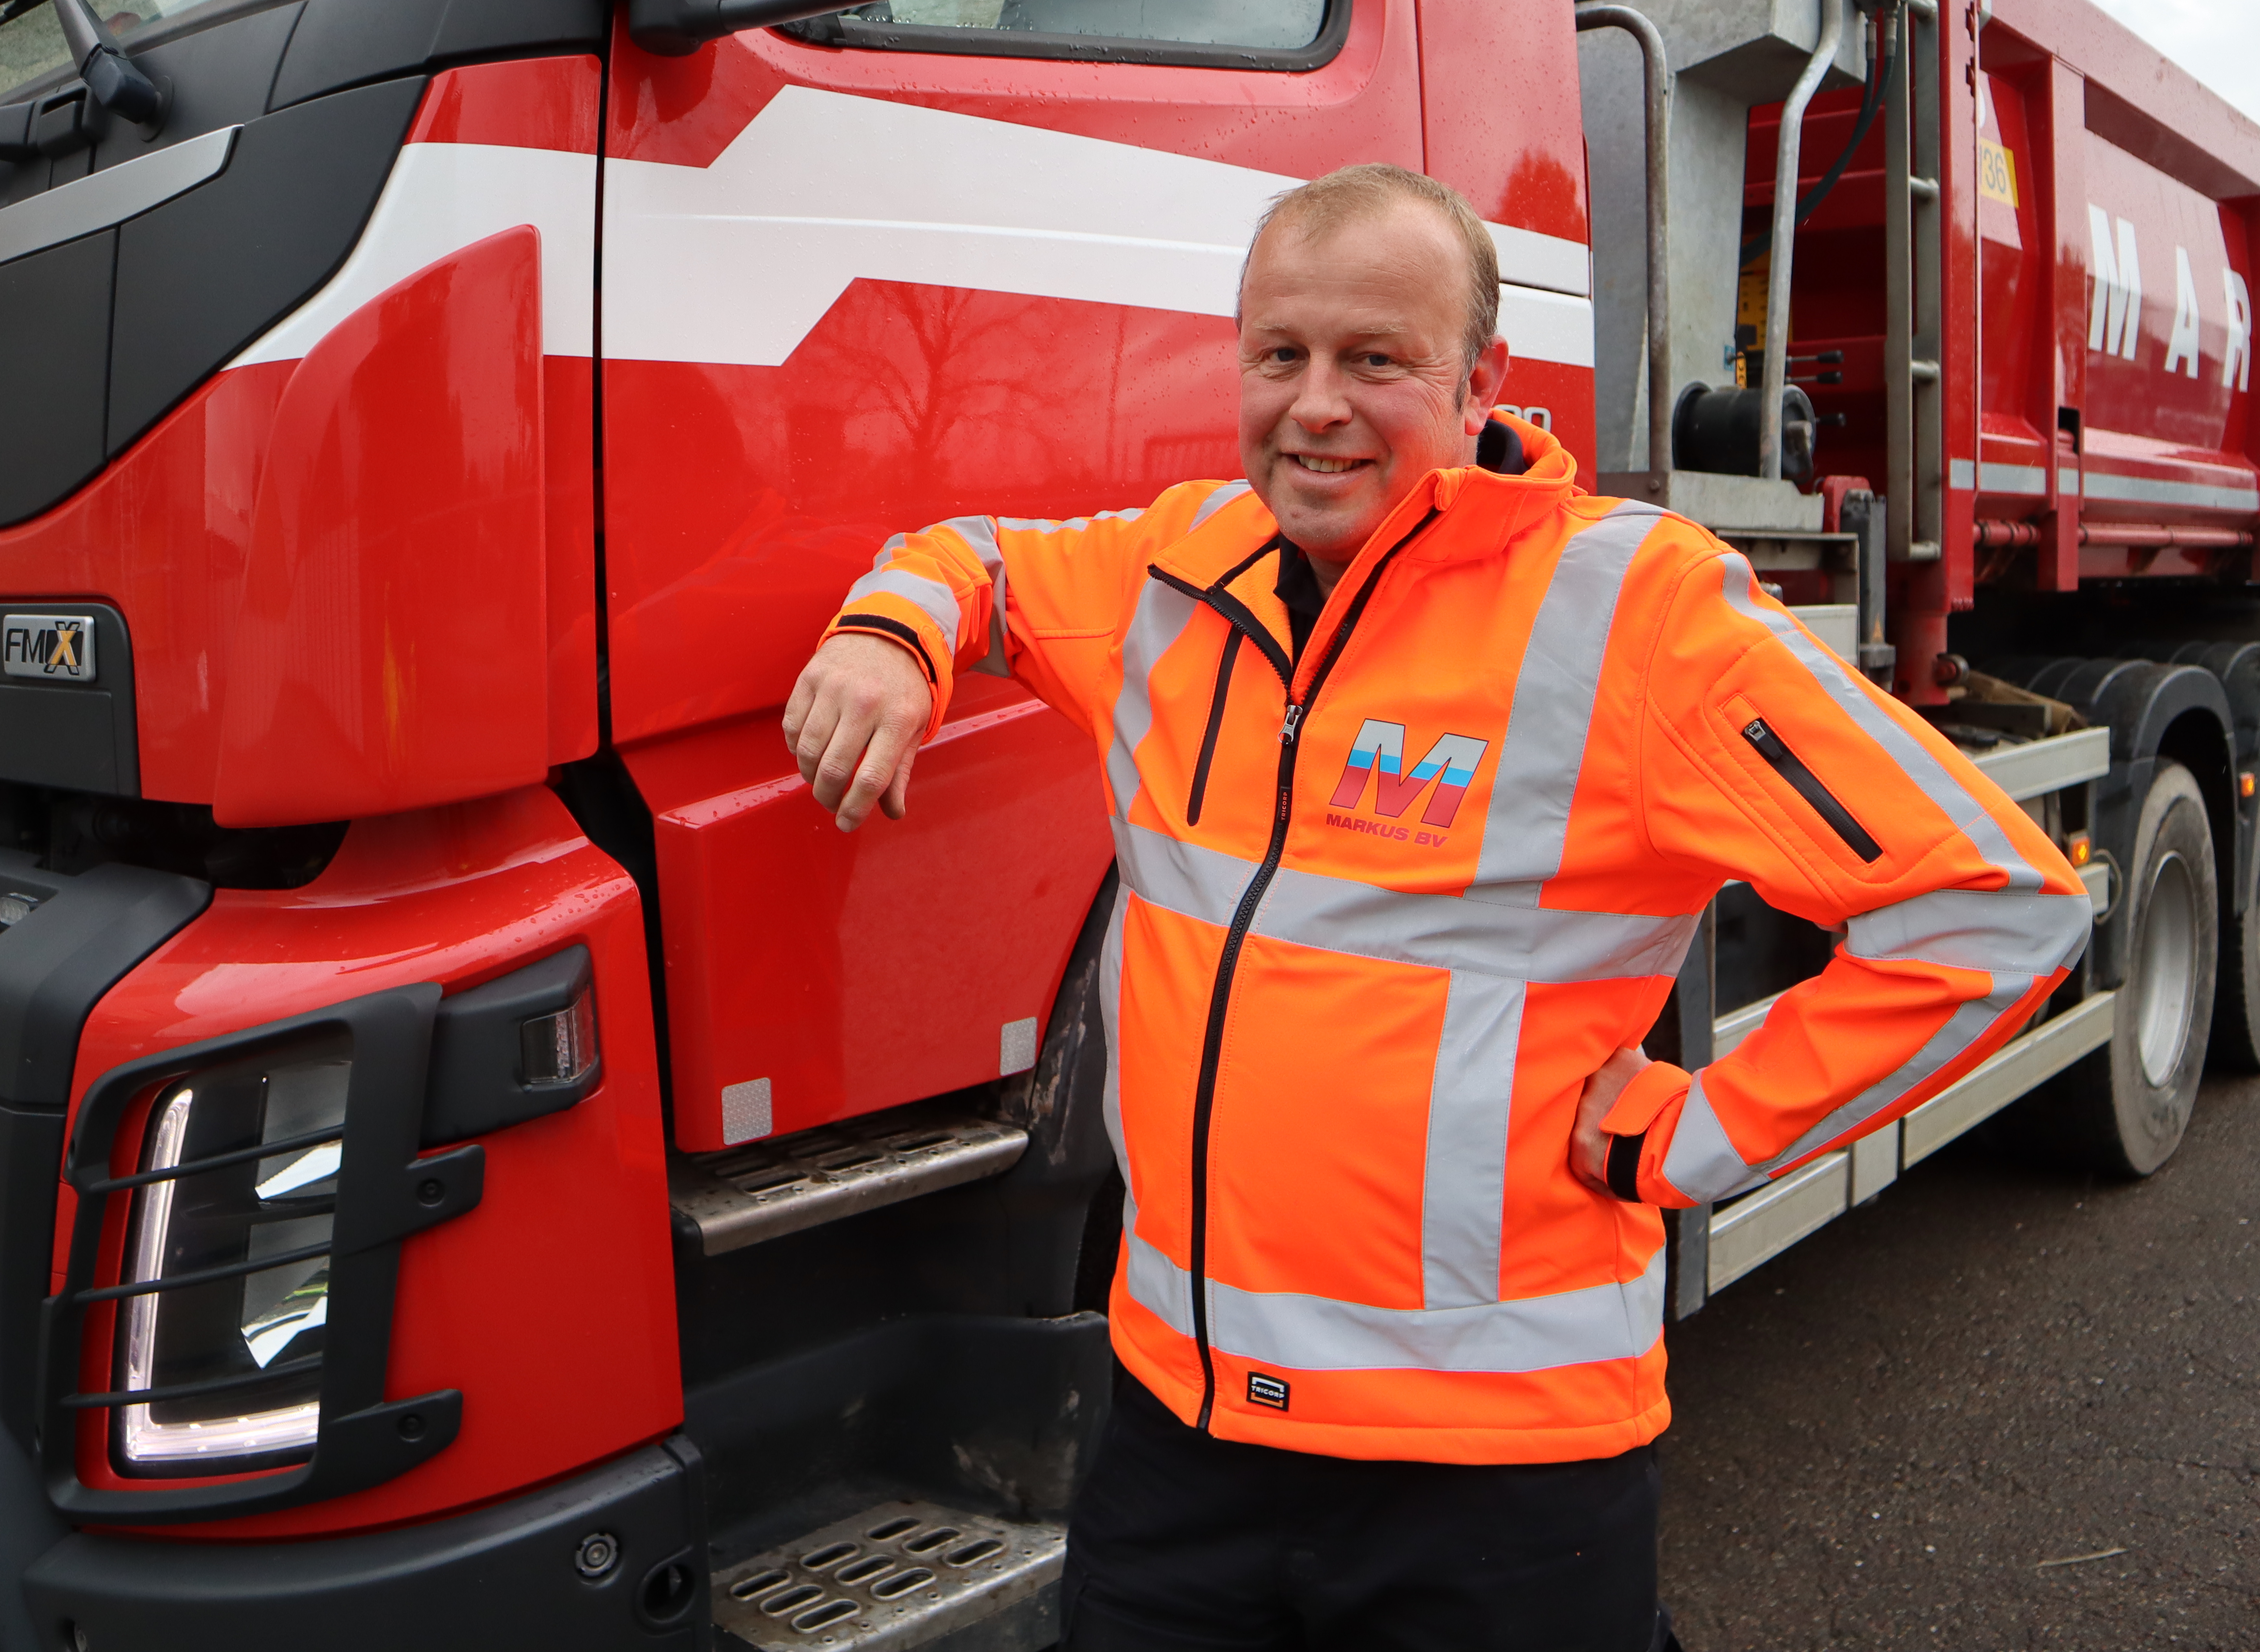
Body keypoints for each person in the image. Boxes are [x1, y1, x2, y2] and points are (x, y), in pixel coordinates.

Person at [782, 164, 2091, 1651]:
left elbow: (1992, 910)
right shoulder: (1170, 575)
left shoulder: (1634, 616)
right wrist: (895, 633)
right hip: (1179, 1447)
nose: (1316, 406)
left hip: (1491, 1483)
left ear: (1481, 386)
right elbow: (980, 563)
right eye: (1281, 356)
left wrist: (1694, 1136)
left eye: (1375, 360)